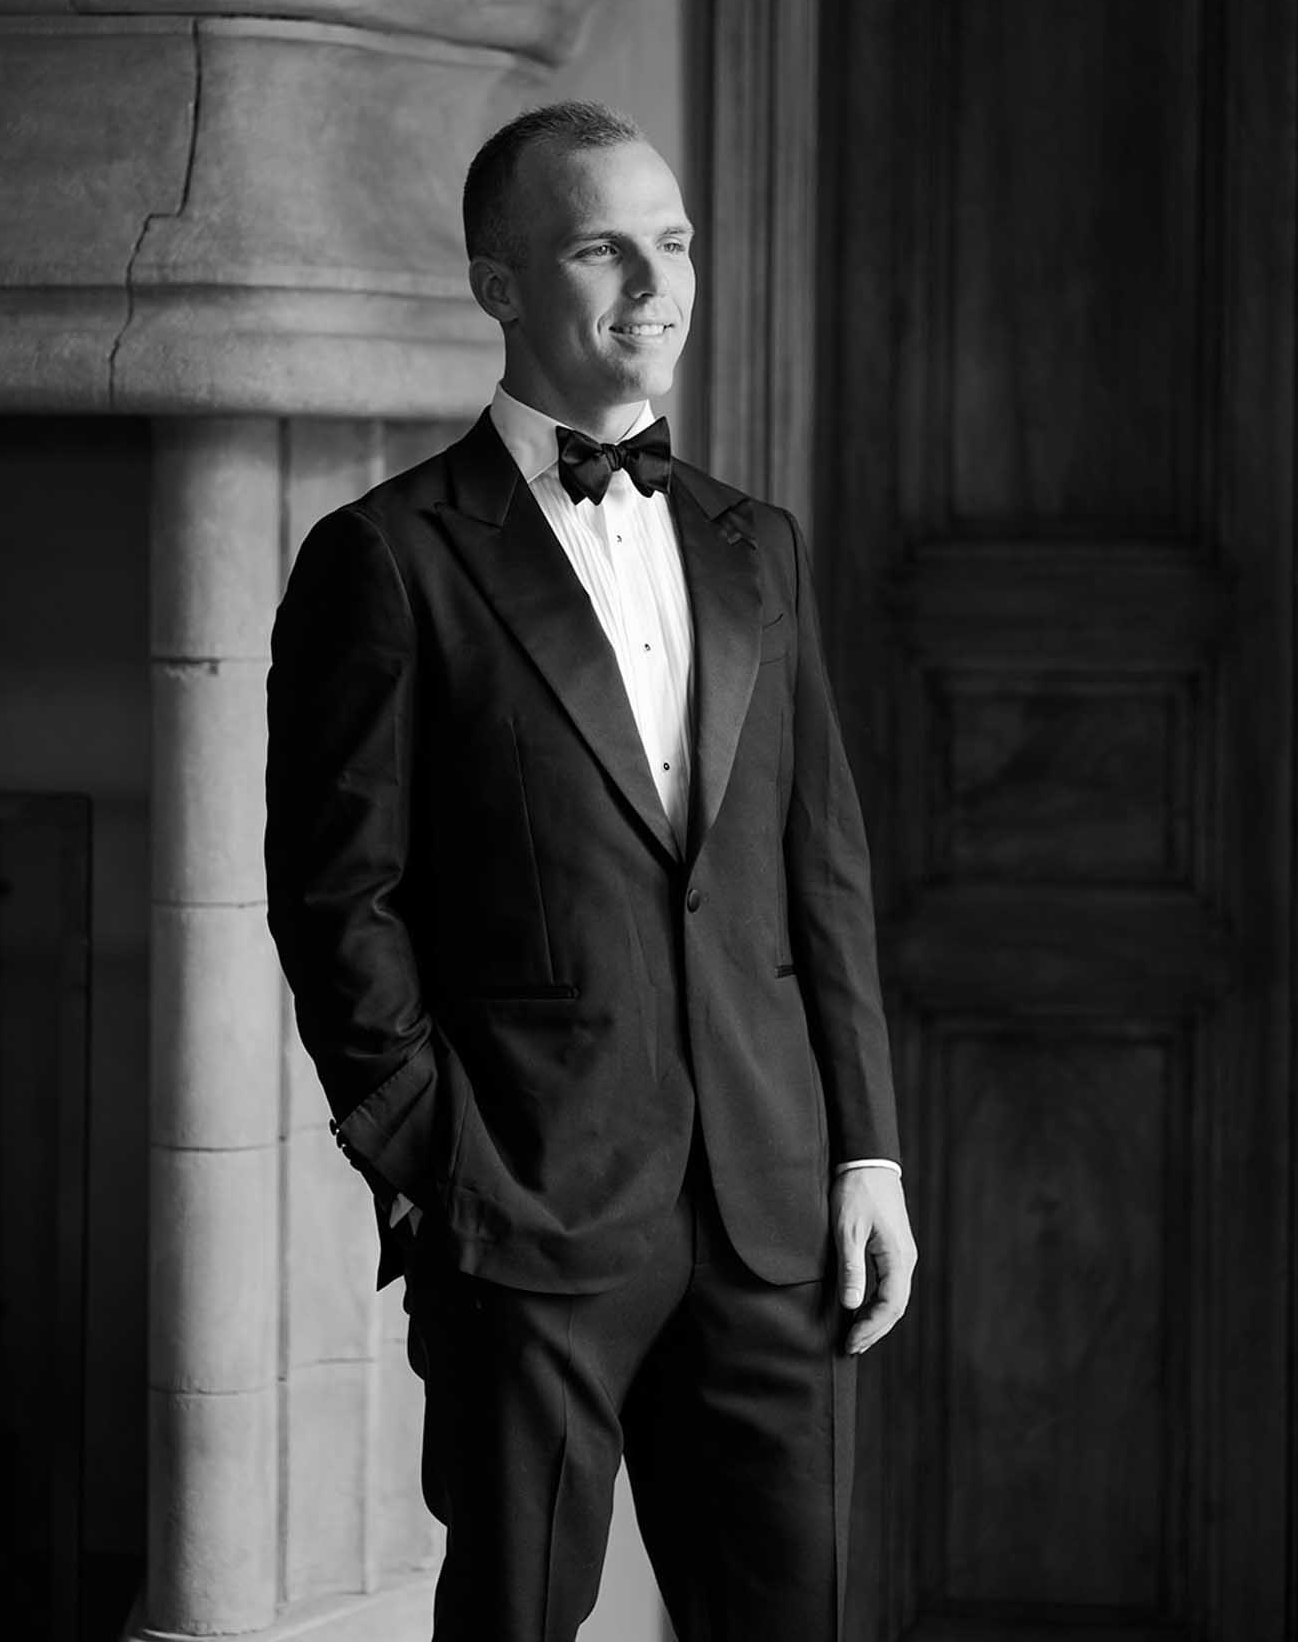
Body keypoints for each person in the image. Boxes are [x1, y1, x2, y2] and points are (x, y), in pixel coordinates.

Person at [265, 101, 917, 1642]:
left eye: (673, 240)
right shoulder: (386, 558)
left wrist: (865, 1153)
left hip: (769, 1212)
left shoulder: (761, 544)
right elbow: (331, 900)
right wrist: (443, 1174)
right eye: (600, 247)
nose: (655, 279)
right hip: (527, 1214)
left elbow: (818, 871)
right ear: (499, 285)